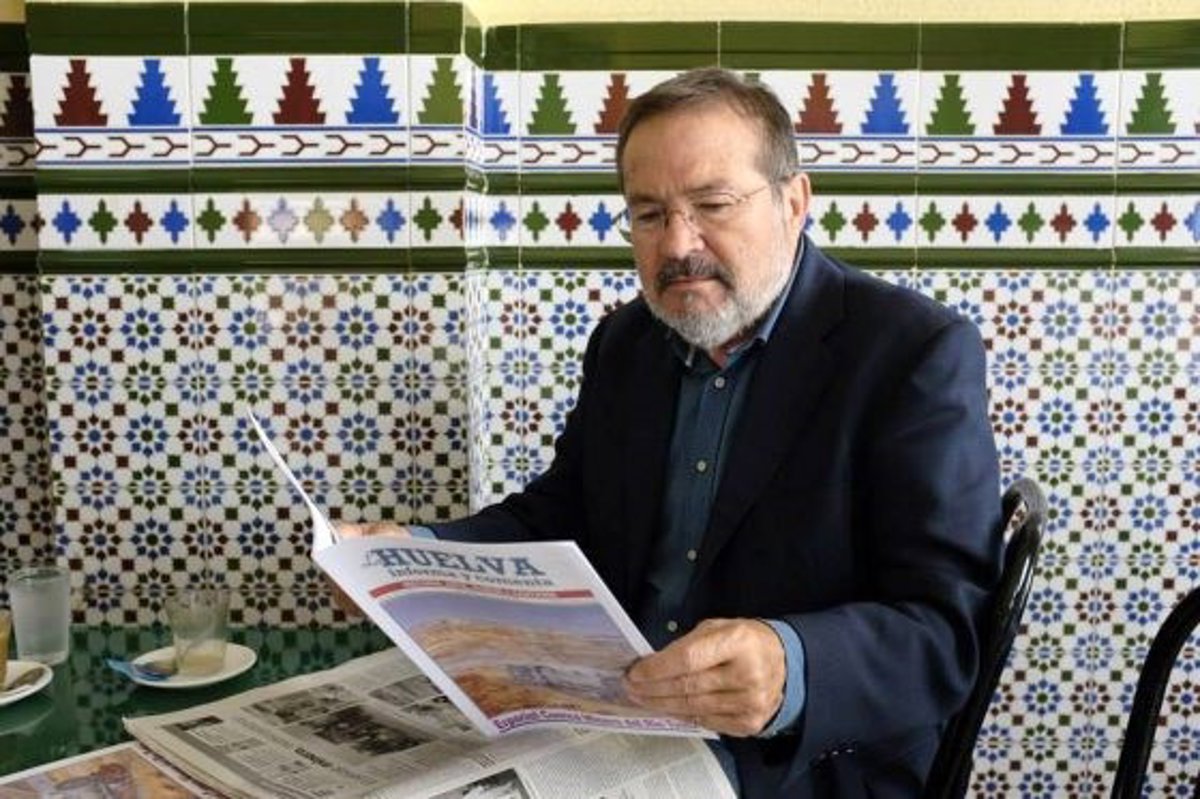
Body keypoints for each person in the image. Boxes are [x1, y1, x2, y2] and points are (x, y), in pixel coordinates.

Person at [337, 68, 1002, 798]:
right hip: (615, 722)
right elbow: (559, 516)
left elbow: (947, 632)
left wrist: (792, 665)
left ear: (793, 202)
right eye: (649, 214)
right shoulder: (626, 341)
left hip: (802, 765)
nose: (679, 244)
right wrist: (412, 554)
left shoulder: (912, 351)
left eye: (712, 204)